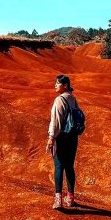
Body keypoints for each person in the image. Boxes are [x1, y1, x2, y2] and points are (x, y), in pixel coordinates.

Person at [46, 74, 79, 209]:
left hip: (62, 137)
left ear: (65, 85)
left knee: (59, 166)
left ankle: (58, 200)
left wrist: (51, 138)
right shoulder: (73, 99)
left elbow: (56, 121)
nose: (55, 85)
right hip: (73, 137)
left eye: (57, 83)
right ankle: (70, 198)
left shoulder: (59, 100)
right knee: (70, 167)